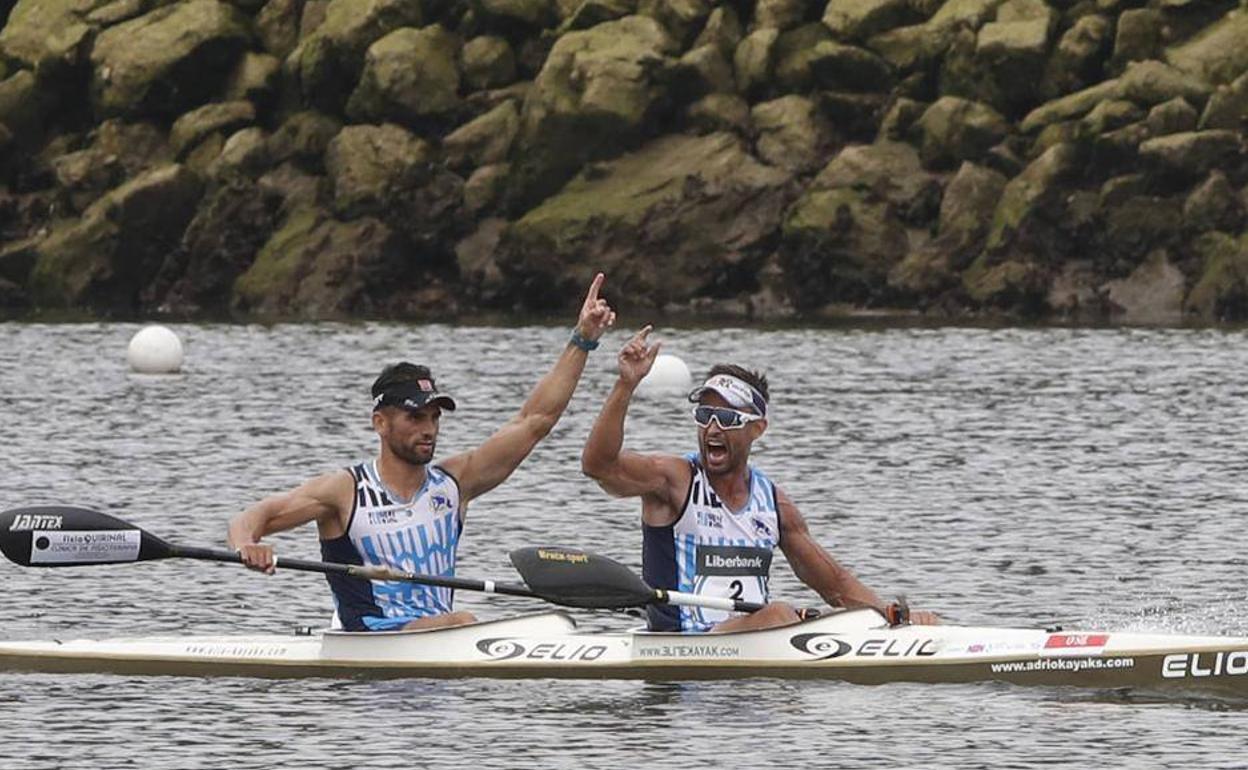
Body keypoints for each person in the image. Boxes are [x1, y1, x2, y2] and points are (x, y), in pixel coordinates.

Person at [228, 274, 616, 632]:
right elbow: (254, 516)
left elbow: (535, 420)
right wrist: (248, 545)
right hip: (373, 645)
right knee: (463, 620)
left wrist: (582, 340)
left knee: (469, 622)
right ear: (380, 422)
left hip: (435, 654)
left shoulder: (454, 483)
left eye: (433, 417)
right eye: (415, 417)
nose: (428, 428)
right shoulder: (345, 491)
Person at [581, 325, 937, 633]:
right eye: (705, 415)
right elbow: (599, 466)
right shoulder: (674, 480)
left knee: (804, 622)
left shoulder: (774, 504)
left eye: (727, 417)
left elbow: (836, 586)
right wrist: (625, 386)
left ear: (758, 429)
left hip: (750, 656)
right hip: (683, 650)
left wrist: (892, 619)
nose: (713, 427)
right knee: (782, 614)